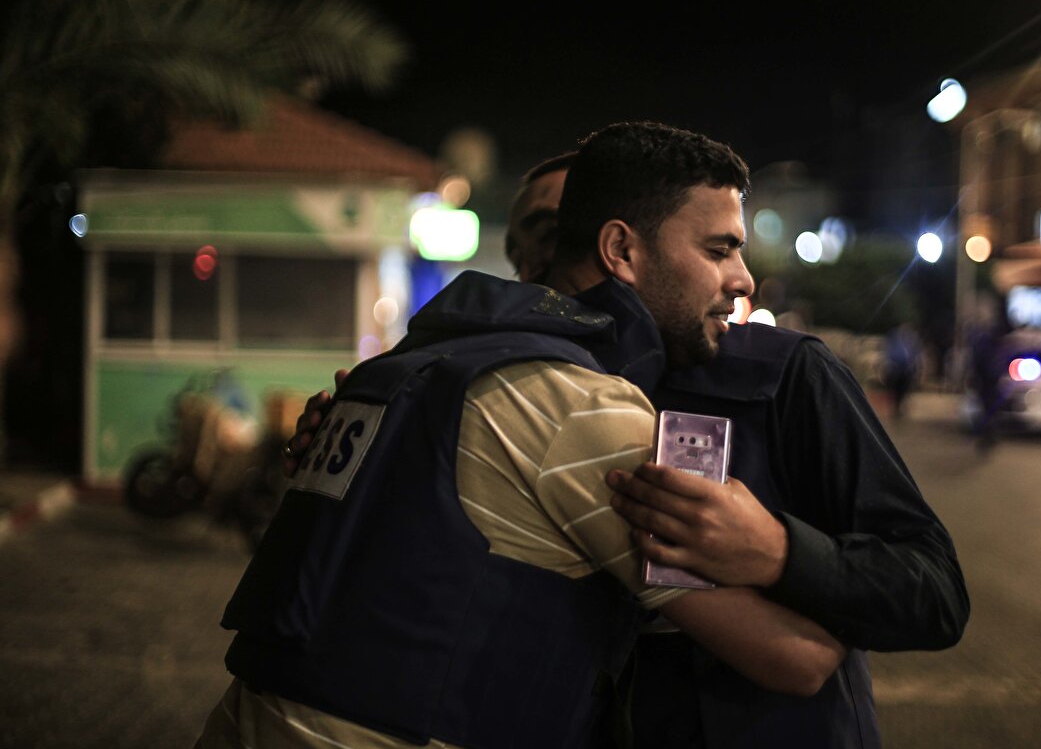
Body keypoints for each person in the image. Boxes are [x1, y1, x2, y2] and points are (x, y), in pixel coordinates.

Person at [284, 131, 969, 748]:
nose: (556, 263)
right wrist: (374, 446)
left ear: (621, 250)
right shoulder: (510, 388)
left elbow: (931, 592)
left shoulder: (783, 375)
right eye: (542, 239)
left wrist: (781, 553)